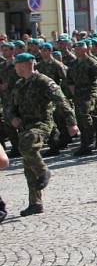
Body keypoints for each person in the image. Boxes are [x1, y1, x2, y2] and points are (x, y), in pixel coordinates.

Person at [8, 52, 78, 216]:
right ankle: (35, 203)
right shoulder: (19, 84)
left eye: (17, 65)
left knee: (27, 144)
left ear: (26, 65)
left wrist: (71, 123)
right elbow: (10, 107)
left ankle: (43, 171)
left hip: (42, 124)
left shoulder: (44, 82)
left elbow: (61, 101)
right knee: (28, 166)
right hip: (25, 126)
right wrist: (12, 118)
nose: (15, 68)